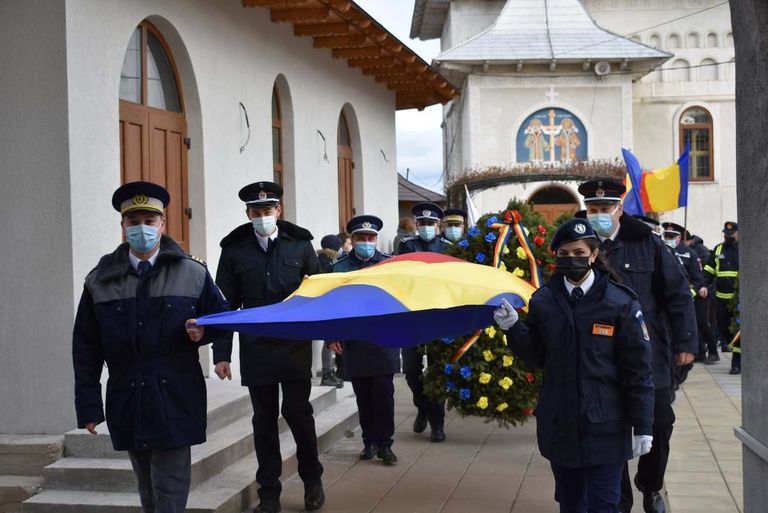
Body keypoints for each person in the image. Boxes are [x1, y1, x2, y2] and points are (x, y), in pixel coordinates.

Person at [72, 182, 229, 513]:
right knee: (147, 486)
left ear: (162, 223)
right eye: (134, 221)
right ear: (123, 226)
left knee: (169, 486)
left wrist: (206, 334)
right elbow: (85, 346)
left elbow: (222, 319)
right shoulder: (100, 281)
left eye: (149, 220)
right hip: (127, 393)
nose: (141, 228)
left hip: (176, 390)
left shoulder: (192, 272)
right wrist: (88, 405)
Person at [493, 218, 655, 513]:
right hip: (561, 424)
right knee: (570, 503)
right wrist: (515, 330)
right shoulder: (543, 301)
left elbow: (638, 371)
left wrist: (643, 424)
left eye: (579, 253)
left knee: (605, 504)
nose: (572, 259)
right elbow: (540, 357)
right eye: (564, 254)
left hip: (606, 423)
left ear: (594, 254)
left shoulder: (619, 303)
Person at [578, 179, 698, 513]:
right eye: (594, 208)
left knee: (659, 421)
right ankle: (619, 499)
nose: (600, 214)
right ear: (586, 209)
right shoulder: (579, 243)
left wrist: (685, 342)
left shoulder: (648, 243)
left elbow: (676, 293)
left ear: (619, 208)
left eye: (606, 208)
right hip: (600, 354)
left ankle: (651, 485)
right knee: (609, 426)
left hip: (650, 352)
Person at [214, 181, 324, 513]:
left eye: (268, 210)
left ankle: (312, 480)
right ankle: (269, 493)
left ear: (279, 210)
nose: (263, 216)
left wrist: (333, 332)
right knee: (264, 421)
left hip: (294, 346)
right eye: (256, 212)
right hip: (256, 347)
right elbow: (225, 305)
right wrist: (221, 355)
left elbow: (319, 293)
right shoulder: (234, 250)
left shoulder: (300, 245)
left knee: (298, 413)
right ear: (248, 214)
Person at [327, 215, 400, 465]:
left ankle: (385, 444)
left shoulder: (390, 265)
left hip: (384, 339)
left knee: (384, 393)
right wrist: (331, 335)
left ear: (376, 239)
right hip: (355, 340)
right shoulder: (339, 267)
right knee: (364, 395)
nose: (366, 242)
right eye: (361, 238)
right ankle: (368, 441)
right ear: (353, 240)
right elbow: (331, 304)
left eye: (370, 238)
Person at [398, 202, 452, 443]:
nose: (426, 227)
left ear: (438, 225)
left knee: (437, 372)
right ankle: (422, 406)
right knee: (411, 370)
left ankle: (437, 424)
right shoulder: (406, 247)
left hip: (440, 316)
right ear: (417, 225)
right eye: (422, 223)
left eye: (431, 223)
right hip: (413, 316)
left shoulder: (449, 248)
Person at [661, 222, 706, 386]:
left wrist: (693, 292)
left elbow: (697, 277)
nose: (669, 239)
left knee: (695, 328)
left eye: (672, 236)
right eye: (666, 236)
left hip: (687, 301)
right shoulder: (662, 252)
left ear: (679, 238)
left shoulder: (690, 254)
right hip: (667, 307)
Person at [704, 222, 740, 373]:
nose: (727, 236)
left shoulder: (743, 249)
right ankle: (737, 352)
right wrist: (703, 285)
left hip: (738, 301)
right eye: (725, 234)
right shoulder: (719, 249)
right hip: (720, 299)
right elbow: (709, 270)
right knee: (724, 329)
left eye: (730, 234)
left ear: (738, 233)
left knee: (738, 331)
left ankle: (736, 364)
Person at [316, 235, 344, 388]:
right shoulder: (328, 263)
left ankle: (329, 372)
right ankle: (327, 374)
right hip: (326, 306)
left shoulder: (321, 259)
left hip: (325, 305)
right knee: (328, 341)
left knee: (328, 341)